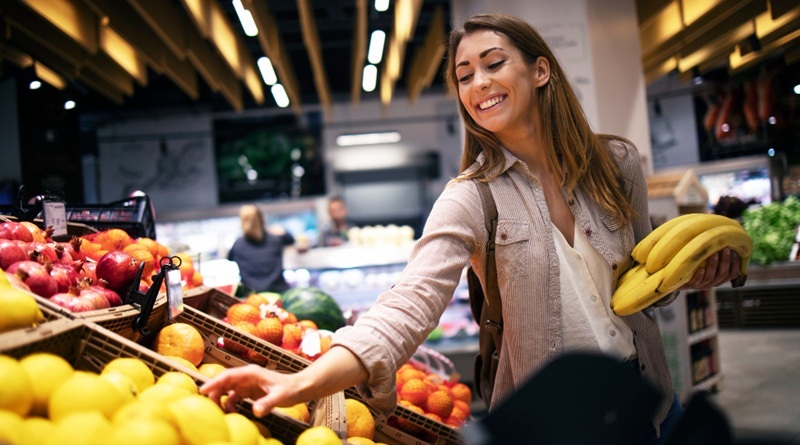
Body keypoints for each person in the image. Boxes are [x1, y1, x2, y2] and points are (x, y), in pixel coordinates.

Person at [201, 14, 742, 444]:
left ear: (540, 70)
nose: (478, 82)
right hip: (548, 425)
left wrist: (695, 273)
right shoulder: (472, 196)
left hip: (649, 403)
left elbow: (643, 285)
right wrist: (300, 380)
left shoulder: (618, 164)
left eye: (492, 64)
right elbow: (409, 301)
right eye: (464, 76)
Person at [227, 204, 295, 294]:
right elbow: (291, 240)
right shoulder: (275, 239)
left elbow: (229, 258)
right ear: (262, 219)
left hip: (252, 296)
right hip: (279, 292)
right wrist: (281, 230)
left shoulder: (238, 244)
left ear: (243, 221)